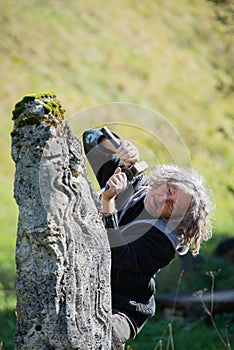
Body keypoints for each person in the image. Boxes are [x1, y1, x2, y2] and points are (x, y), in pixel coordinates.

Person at [82, 128, 214, 350]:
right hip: (88, 286)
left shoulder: (163, 243)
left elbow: (115, 253)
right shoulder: (135, 187)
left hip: (124, 308)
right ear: (165, 179)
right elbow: (89, 139)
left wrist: (108, 202)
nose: (162, 198)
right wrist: (117, 145)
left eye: (172, 205)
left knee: (101, 333)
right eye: (170, 189)